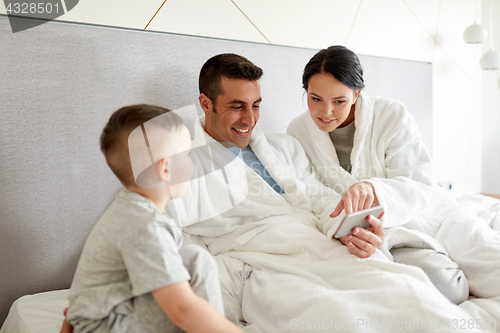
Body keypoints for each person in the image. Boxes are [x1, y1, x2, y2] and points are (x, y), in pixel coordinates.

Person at [161, 53, 476, 332]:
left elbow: (319, 198)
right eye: (236, 106)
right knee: (336, 316)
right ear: (205, 103)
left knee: (408, 294)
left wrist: (350, 229)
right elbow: (179, 241)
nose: (250, 119)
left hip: (323, 245)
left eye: (256, 105)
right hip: (264, 264)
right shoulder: (182, 167)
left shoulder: (282, 146)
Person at [287, 45, 500, 304]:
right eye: (315, 98)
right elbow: (313, 195)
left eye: (339, 101)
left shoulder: (391, 115)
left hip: (431, 214)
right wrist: (347, 230)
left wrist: (372, 189)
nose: (325, 112)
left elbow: (418, 182)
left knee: (493, 266)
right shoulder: (298, 132)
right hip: (382, 232)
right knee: (447, 288)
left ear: (356, 94)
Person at [63, 104, 245, 333]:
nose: (192, 164)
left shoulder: (131, 210)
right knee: (194, 309)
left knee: (196, 260)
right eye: (188, 155)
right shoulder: (145, 227)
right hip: (109, 326)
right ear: (165, 169)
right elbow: (181, 309)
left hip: (109, 313)